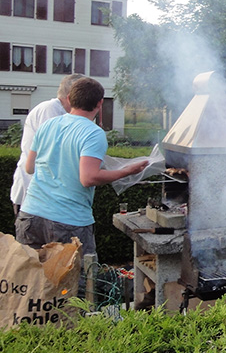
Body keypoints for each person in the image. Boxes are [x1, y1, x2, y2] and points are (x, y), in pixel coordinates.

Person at [15, 77, 148, 257]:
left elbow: (30, 167)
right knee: (75, 275)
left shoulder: (47, 125)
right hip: (68, 221)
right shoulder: (93, 133)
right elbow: (88, 178)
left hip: (30, 216)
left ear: (69, 98)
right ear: (100, 103)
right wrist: (127, 171)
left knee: (33, 274)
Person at [10, 73, 84, 214]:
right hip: (33, 192)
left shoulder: (65, 114)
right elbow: (54, 152)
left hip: (46, 195)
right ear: (71, 96)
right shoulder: (50, 110)